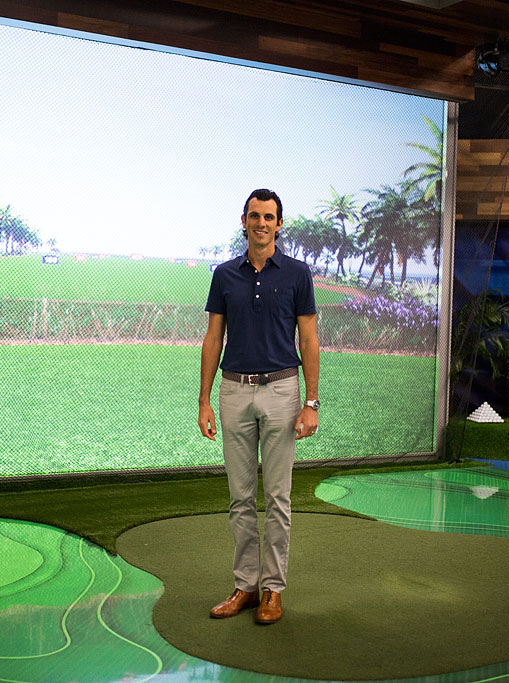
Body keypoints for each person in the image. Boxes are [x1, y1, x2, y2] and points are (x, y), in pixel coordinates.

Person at [198, 188, 320, 625]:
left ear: (279, 224)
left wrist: (311, 402)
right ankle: (245, 587)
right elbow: (214, 338)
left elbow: (308, 340)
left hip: (283, 392)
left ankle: (273, 592)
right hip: (233, 392)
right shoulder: (224, 275)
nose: (262, 223)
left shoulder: (297, 274)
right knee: (240, 498)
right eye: (255, 216)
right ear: (244, 221)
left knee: (279, 497)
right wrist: (204, 400)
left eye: (269, 217)